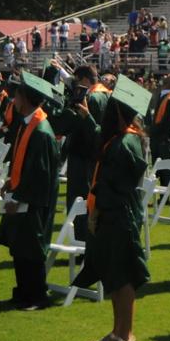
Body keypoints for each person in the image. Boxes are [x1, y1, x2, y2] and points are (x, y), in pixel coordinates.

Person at [72, 74, 151, 341]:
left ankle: (126, 336)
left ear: (117, 111)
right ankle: (117, 331)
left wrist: (103, 201)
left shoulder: (128, 141)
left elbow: (123, 176)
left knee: (123, 275)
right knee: (113, 275)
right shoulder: (119, 138)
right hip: (109, 213)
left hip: (120, 215)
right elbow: (104, 148)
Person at [0, 71, 61, 308]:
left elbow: (40, 176)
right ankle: (23, 292)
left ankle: (37, 296)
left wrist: (19, 200)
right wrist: (10, 183)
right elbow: (23, 164)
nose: (14, 100)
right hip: (23, 195)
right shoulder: (27, 125)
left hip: (34, 201)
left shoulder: (41, 131)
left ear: (26, 99)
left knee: (32, 248)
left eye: (17, 96)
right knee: (20, 246)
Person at [53, 65, 111, 239]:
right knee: (91, 200)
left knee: (79, 201)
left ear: (85, 80)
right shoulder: (107, 95)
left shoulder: (90, 98)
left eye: (77, 81)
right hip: (97, 155)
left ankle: (81, 244)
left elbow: (76, 127)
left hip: (81, 155)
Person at [147, 74, 170, 180]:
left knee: (167, 175)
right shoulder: (162, 96)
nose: (166, 75)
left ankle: (166, 196)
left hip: (164, 143)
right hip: (157, 141)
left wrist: (153, 130)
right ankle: (162, 196)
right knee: (159, 174)